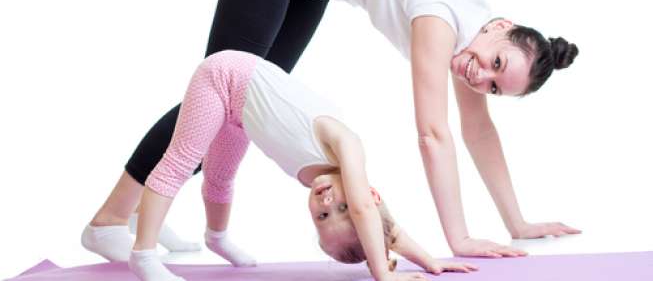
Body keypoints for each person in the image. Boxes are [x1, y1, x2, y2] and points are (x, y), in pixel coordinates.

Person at [83, 0, 580, 262]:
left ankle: (134, 212)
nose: (481, 78)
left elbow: (479, 132)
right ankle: (111, 219)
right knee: (220, 90)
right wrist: (460, 238)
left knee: (242, 102)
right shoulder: (442, 17)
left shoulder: (475, 39)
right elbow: (434, 134)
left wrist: (518, 223)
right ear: (502, 26)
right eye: (495, 65)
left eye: (495, 85)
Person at [126, 50, 477, 281]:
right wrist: (381, 273)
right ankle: (143, 254)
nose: (326, 204)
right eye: (342, 208)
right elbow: (366, 209)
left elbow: (385, 227)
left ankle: (216, 237)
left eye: (323, 217)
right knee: (180, 161)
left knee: (220, 178)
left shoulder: (343, 188)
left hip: (239, 114)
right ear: (369, 196)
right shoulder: (348, 148)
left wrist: (430, 261)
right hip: (223, 77)